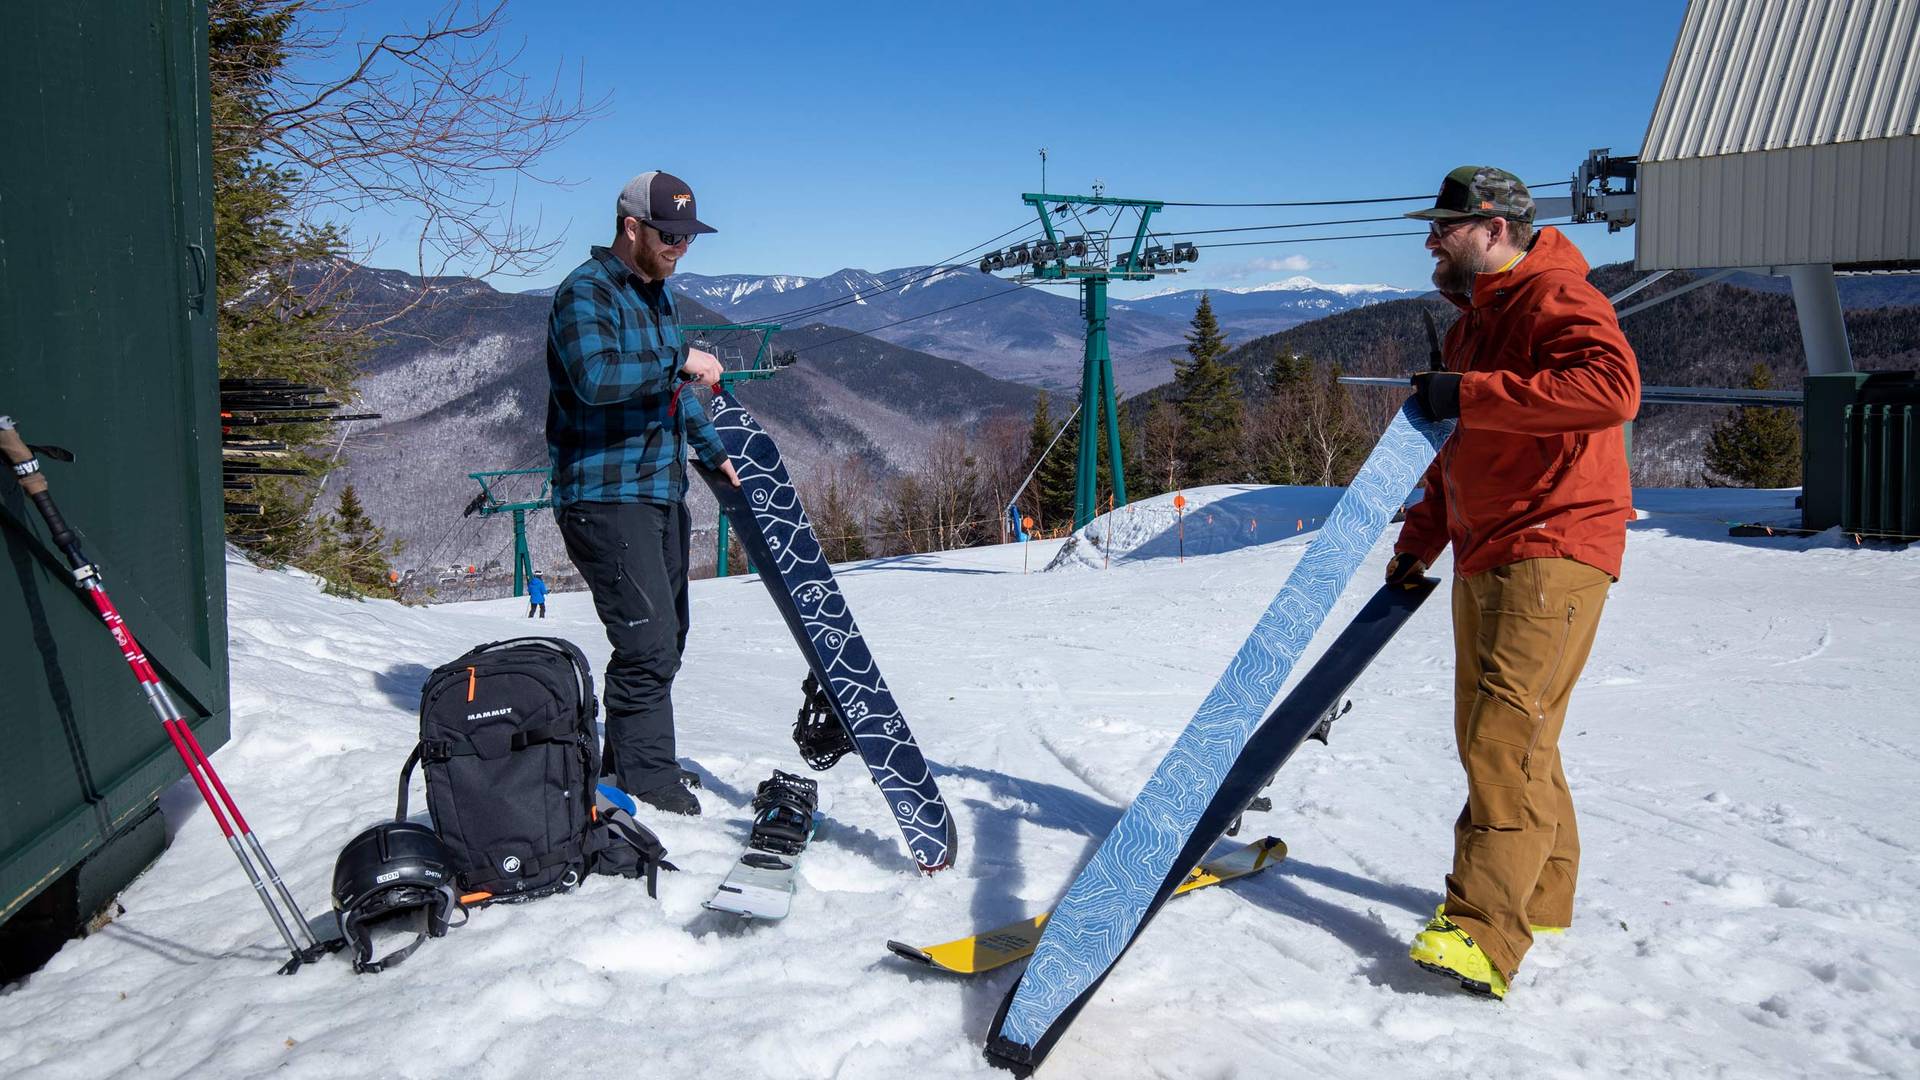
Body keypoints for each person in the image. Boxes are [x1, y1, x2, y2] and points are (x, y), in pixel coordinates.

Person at [1389, 165, 1639, 999]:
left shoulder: (1555, 294)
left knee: (1502, 738)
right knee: (1513, 735)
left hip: (1553, 541)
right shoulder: (1474, 323)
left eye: (1445, 228)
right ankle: (1541, 895)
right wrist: (1422, 535)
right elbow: (1459, 444)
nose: (1431, 241)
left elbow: (1612, 390)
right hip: (1488, 547)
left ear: (1494, 228)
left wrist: (1469, 391)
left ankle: (1481, 932)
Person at [545, 170, 740, 816]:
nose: (680, 248)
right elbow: (595, 378)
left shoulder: (658, 297)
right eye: (669, 235)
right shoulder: (585, 293)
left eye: (687, 237)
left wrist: (716, 457)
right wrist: (678, 360)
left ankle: (628, 763)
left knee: (669, 635)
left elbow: (674, 396)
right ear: (632, 227)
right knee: (647, 638)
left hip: (659, 490)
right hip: (602, 494)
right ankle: (647, 783)